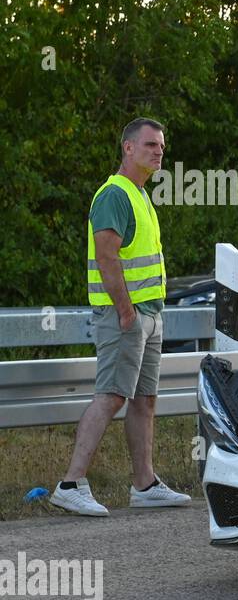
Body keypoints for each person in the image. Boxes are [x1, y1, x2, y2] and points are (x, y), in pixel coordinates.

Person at [50, 118, 191, 516]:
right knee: (112, 394)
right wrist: (126, 311)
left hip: (148, 314)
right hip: (124, 315)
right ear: (128, 148)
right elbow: (106, 255)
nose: (158, 151)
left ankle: (144, 484)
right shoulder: (114, 194)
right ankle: (71, 483)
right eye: (150, 144)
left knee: (144, 399)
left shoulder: (140, 194)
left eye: (161, 145)